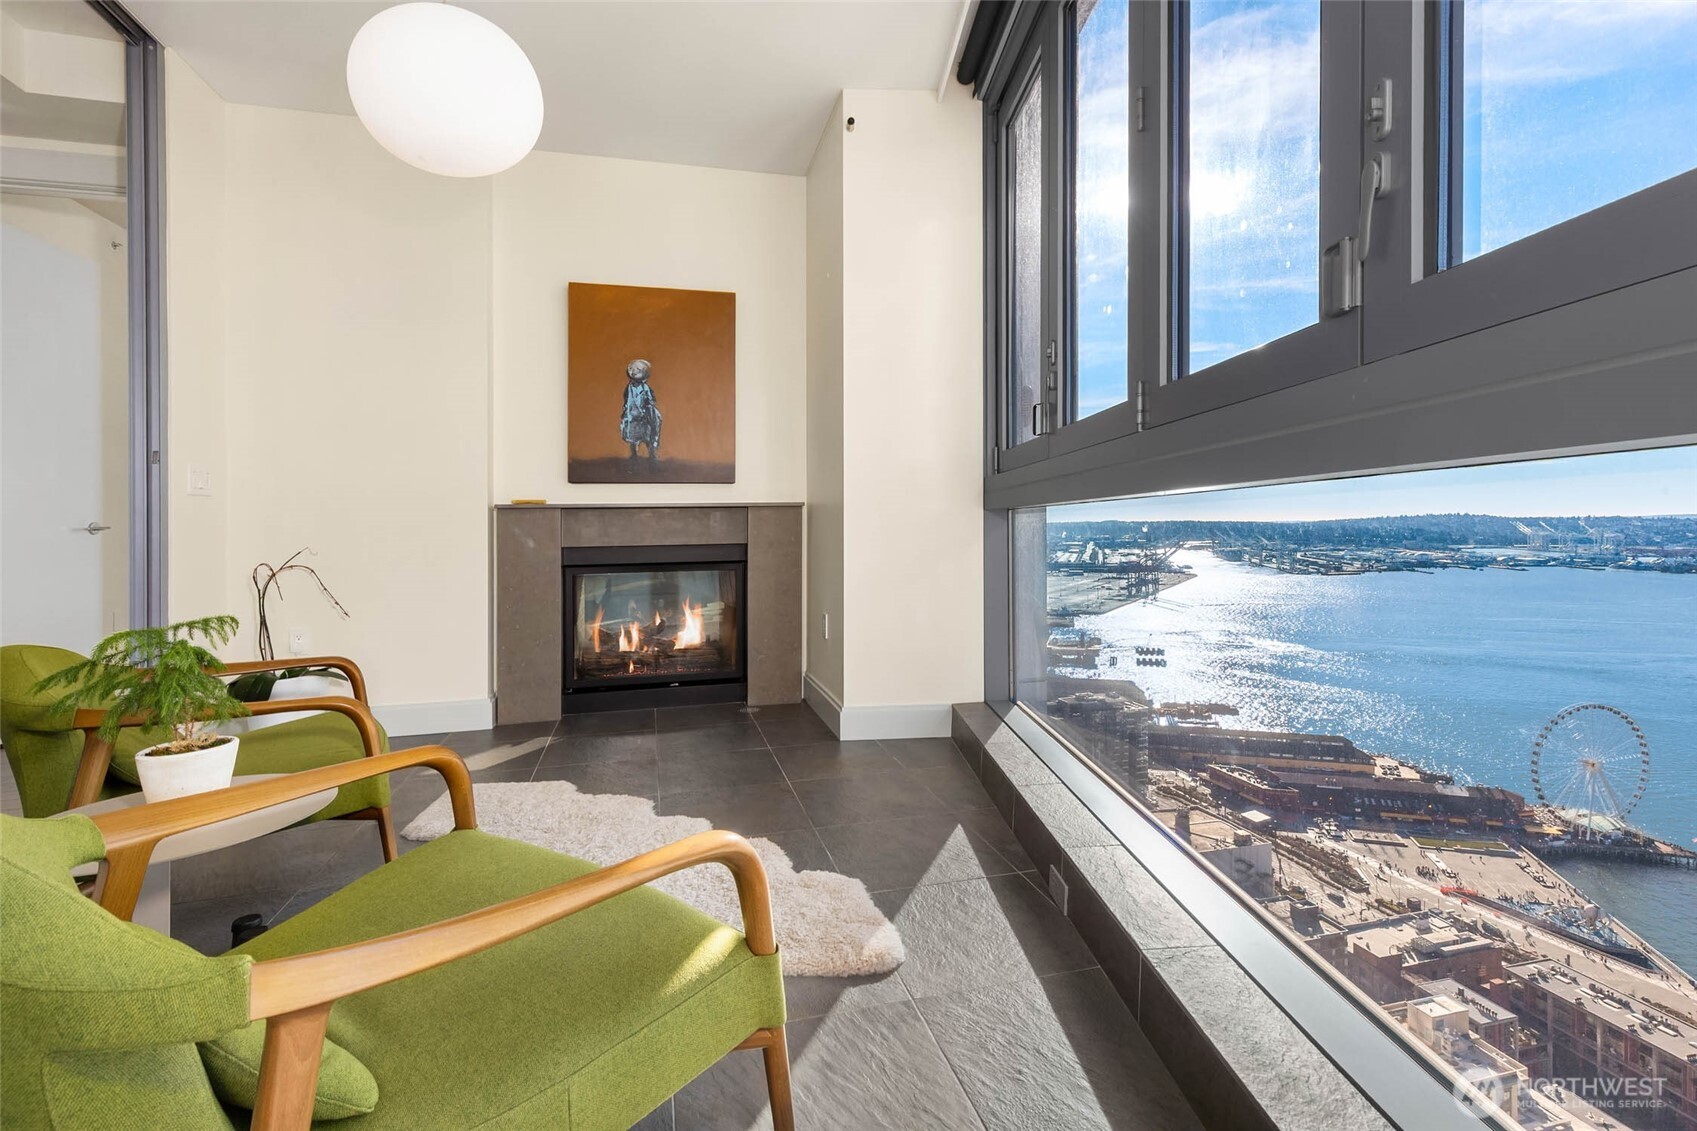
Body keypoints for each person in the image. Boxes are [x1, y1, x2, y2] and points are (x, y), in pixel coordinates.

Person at [620, 358, 662, 462]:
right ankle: (634, 455)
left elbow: (651, 399)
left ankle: (652, 455)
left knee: (648, 436)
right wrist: (627, 411)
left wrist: (647, 408)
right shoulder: (629, 387)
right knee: (633, 438)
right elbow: (626, 400)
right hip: (633, 416)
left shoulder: (645, 387)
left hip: (644, 416)